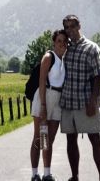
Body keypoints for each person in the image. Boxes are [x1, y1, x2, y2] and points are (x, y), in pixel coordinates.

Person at [60, 14, 100, 181]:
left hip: (85, 102)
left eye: (72, 26)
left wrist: (93, 101)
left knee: (94, 138)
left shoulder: (92, 48)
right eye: (67, 27)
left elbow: (99, 75)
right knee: (70, 140)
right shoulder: (66, 49)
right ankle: (75, 176)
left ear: (79, 26)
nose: (70, 30)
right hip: (68, 102)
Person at [29, 29, 68, 181]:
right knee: (38, 138)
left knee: (48, 140)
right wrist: (43, 106)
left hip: (57, 99)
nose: (62, 44)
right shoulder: (48, 57)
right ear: (54, 42)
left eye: (64, 41)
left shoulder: (64, 59)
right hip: (44, 97)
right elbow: (41, 81)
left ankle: (47, 174)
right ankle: (34, 174)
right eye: (59, 41)